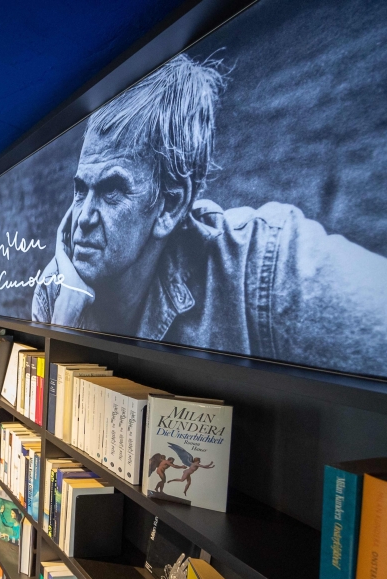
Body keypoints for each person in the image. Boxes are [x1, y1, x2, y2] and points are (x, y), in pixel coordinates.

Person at [31, 54, 387, 378]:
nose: (84, 218)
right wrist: (64, 320)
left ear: (170, 206)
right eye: (81, 190)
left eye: (111, 190)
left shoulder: (262, 263)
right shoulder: (59, 288)